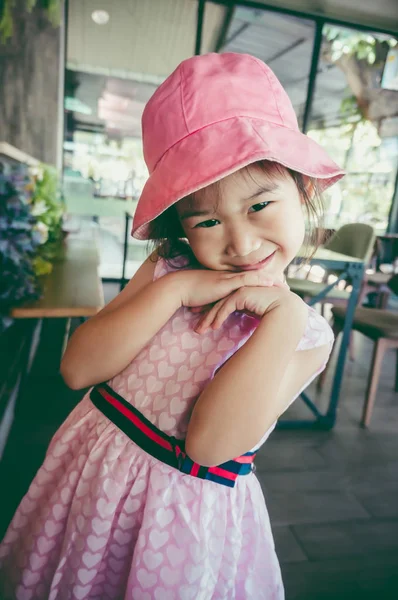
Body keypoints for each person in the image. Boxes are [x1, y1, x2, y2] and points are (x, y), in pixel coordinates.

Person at [0, 53, 344, 599]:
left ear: (303, 192)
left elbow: (210, 445)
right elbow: (77, 368)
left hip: (178, 519)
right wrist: (177, 290)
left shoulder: (305, 336)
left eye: (260, 205)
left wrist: (283, 315)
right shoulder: (169, 269)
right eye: (207, 220)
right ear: (180, 226)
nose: (240, 243)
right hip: (89, 472)